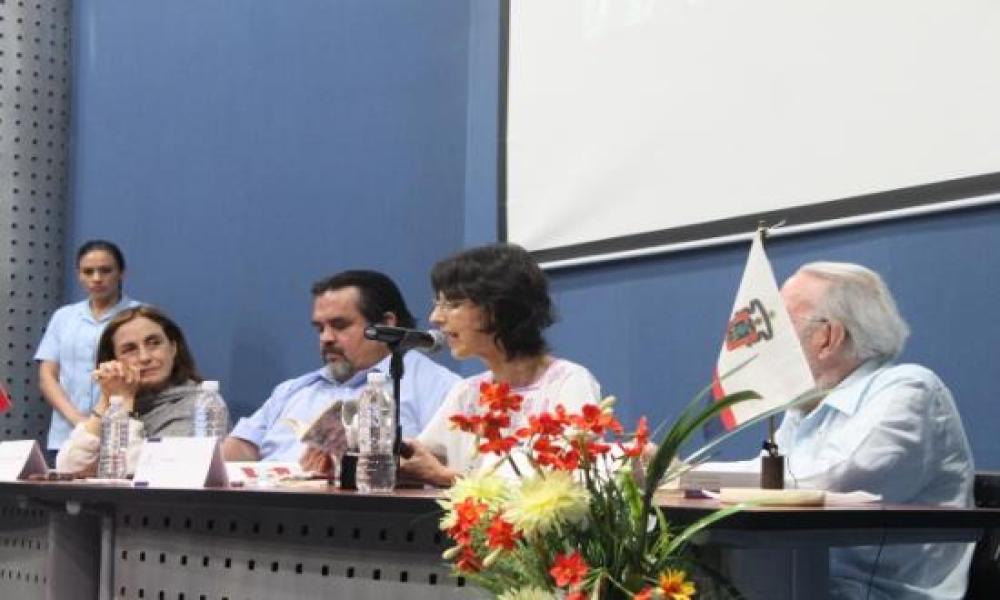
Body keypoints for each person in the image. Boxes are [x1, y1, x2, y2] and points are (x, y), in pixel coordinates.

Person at [777, 261, 974, 600]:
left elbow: (829, 484)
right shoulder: (805, 406)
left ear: (828, 336)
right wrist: (682, 475)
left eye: (781, 327)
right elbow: (770, 478)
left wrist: (700, 481)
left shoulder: (910, 389)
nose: (769, 345)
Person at [400, 243, 602, 487]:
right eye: (438, 304)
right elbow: (425, 457)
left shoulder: (569, 381)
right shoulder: (467, 392)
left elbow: (565, 482)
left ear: (498, 308)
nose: (435, 318)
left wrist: (446, 478)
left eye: (452, 305)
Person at [223, 270, 459, 470]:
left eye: (339, 325)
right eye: (319, 328)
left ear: (386, 324)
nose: (326, 338)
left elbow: (445, 467)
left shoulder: (438, 387)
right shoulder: (293, 390)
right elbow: (241, 447)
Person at [55, 305, 210, 475]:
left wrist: (124, 403)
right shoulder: (120, 400)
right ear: (113, 361)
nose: (145, 357)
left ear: (173, 348)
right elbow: (68, 468)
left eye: (154, 343)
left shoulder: (202, 404)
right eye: (130, 350)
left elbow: (139, 472)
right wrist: (106, 400)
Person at [35, 240, 142, 459]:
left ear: (122, 273)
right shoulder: (63, 317)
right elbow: (47, 376)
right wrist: (77, 419)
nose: (96, 278)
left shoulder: (140, 315)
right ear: (79, 275)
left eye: (105, 270)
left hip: (119, 435)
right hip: (66, 435)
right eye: (88, 271)